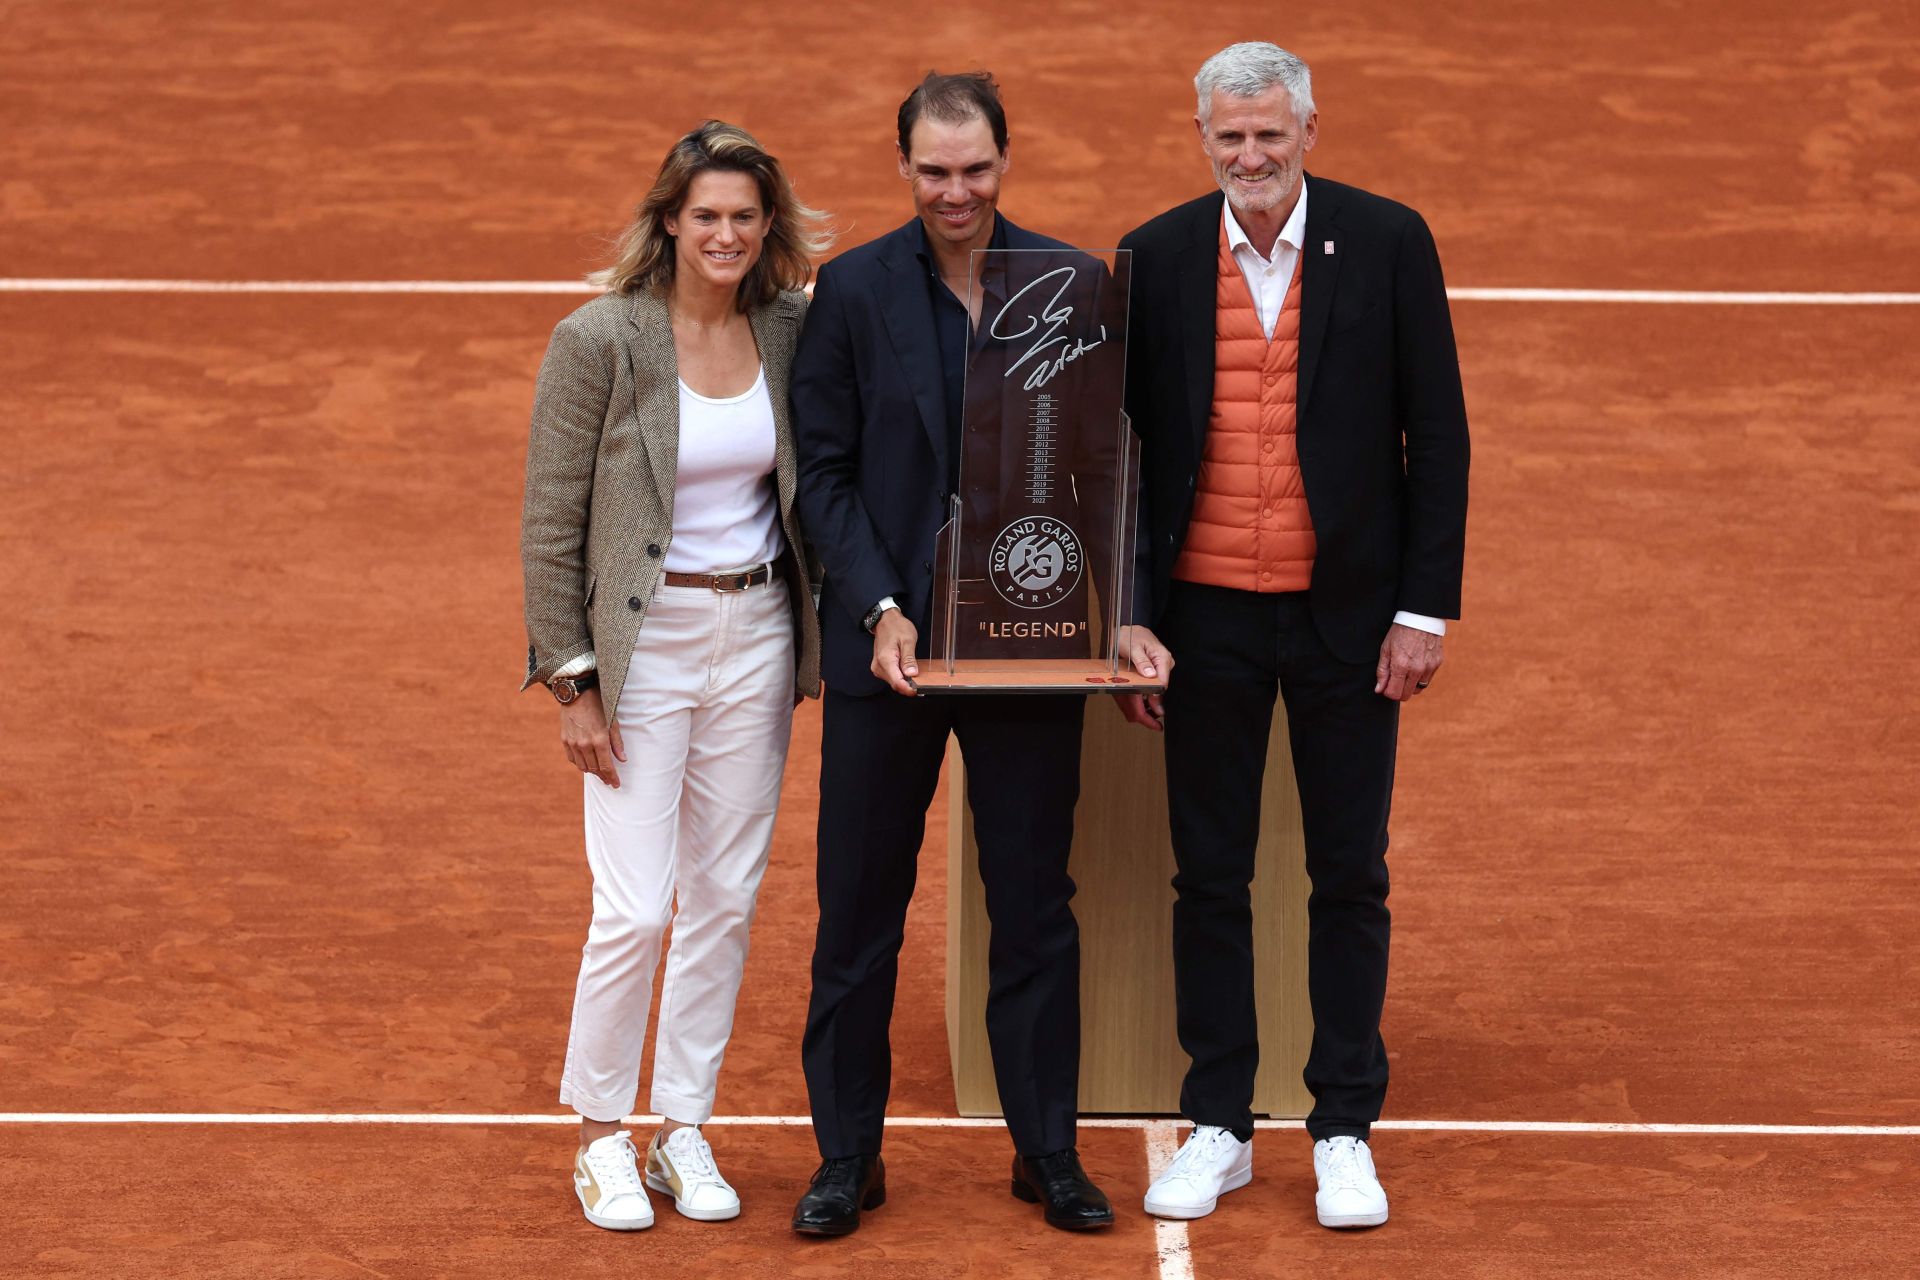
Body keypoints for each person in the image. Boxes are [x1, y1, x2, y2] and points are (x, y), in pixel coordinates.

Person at [787, 71, 1171, 1236]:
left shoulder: (1066, 283)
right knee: (858, 911)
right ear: (902, 168)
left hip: (1025, 651)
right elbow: (824, 477)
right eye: (935, 170)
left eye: (977, 168)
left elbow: (1111, 468)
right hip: (890, 656)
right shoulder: (848, 291)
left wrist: (1128, 609)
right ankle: (849, 1156)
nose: (957, 190)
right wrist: (878, 608)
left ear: (1007, 160)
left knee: (1033, 906)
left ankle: (1044, 1149)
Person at [1117, 42, 1470, 1228]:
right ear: (1203, 137)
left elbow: (1440, 436)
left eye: (1271, 135)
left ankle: (1343, 1124)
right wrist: (1130, 615)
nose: (1251, 156)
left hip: (1347, 620)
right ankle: (1219, 1117)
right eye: (1231, 137)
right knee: (1208, 873)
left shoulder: (1387, 240)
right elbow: (1118, 456)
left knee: (1348, 872)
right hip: (1203, 616)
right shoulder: (1157, 256)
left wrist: (1422, 609)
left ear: (1309, 131)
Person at [519, 120, 829, 1232]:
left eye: (746, 216)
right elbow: (552, 521)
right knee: (637, 907)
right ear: (670, 221)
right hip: (641, 652)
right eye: (707, 216)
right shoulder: (599, 337)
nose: (728, 233)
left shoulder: (793, 328)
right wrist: (573, 683)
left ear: (768, 227)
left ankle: (680, 1121)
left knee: (726, 899)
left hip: (757, 640)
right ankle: (602, 1132)